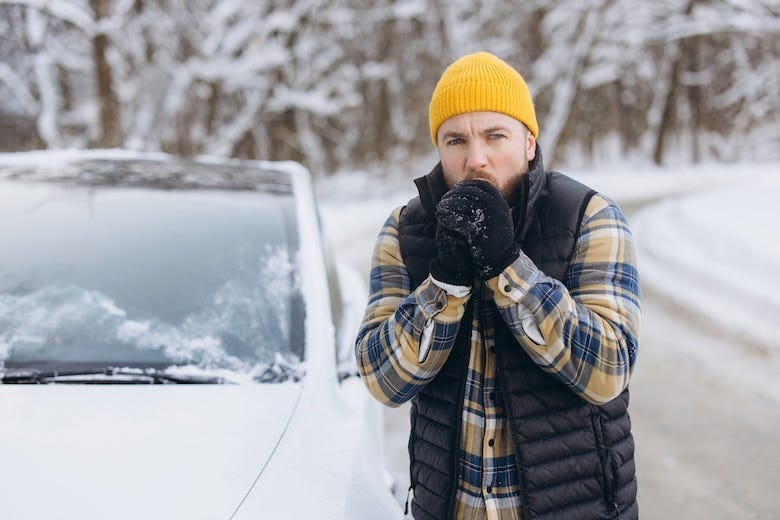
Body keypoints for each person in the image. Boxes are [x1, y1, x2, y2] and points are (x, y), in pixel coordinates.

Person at [354, 51, 640, 520]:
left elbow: (607, 370)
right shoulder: (404, 231)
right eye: (455, 140)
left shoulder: (591, 217)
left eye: (495, 136)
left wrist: (509, 268)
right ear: (439, 150)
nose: (475, 159)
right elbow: (383, 380)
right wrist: (443, 284)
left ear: (529, 142)